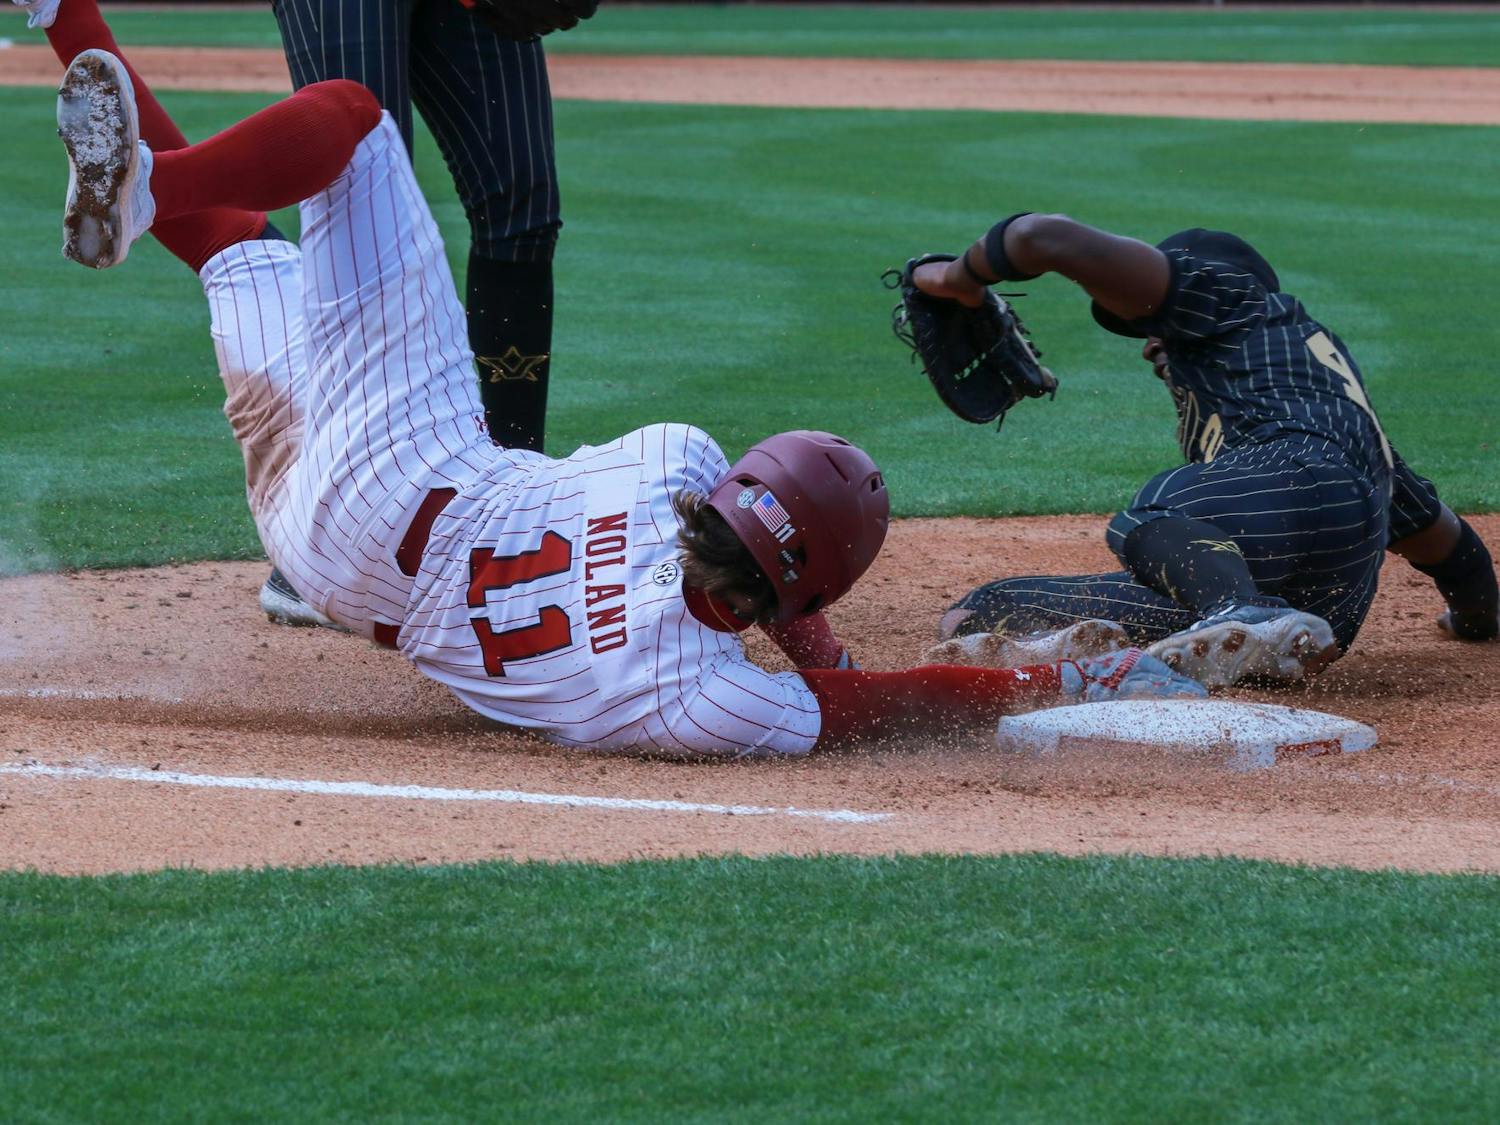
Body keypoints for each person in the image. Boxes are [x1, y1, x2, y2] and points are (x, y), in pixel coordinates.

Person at [45, 48, 1206, 755]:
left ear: (734, 485)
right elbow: (881, 705)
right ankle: (70, 29)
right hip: (322, 556)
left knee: (351, 122)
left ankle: (146, 180)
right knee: (237, 249)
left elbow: (790, 586)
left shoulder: (670, 461)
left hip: (409, 472)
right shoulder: (688, 698)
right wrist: (1059, 680)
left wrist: (1033, 673)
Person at [17, 0, 575, 629]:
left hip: (353, 521)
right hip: (330, 523)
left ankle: (145, 180)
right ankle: (509, 513)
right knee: (308, 187)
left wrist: (66, 18)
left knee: (366, 142)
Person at [913, 213, 1498, 688]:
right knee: (985, 609)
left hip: (1277, 491)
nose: (1148, 346)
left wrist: (958, 277)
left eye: (1150, 323)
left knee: (1154, 511)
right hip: (1327, 614)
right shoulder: (1338, 419)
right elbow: (1452, 548)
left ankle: (1241, 614)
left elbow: (1040, 237)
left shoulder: (1229, 300)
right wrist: (1476, 618)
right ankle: (1183, 638)